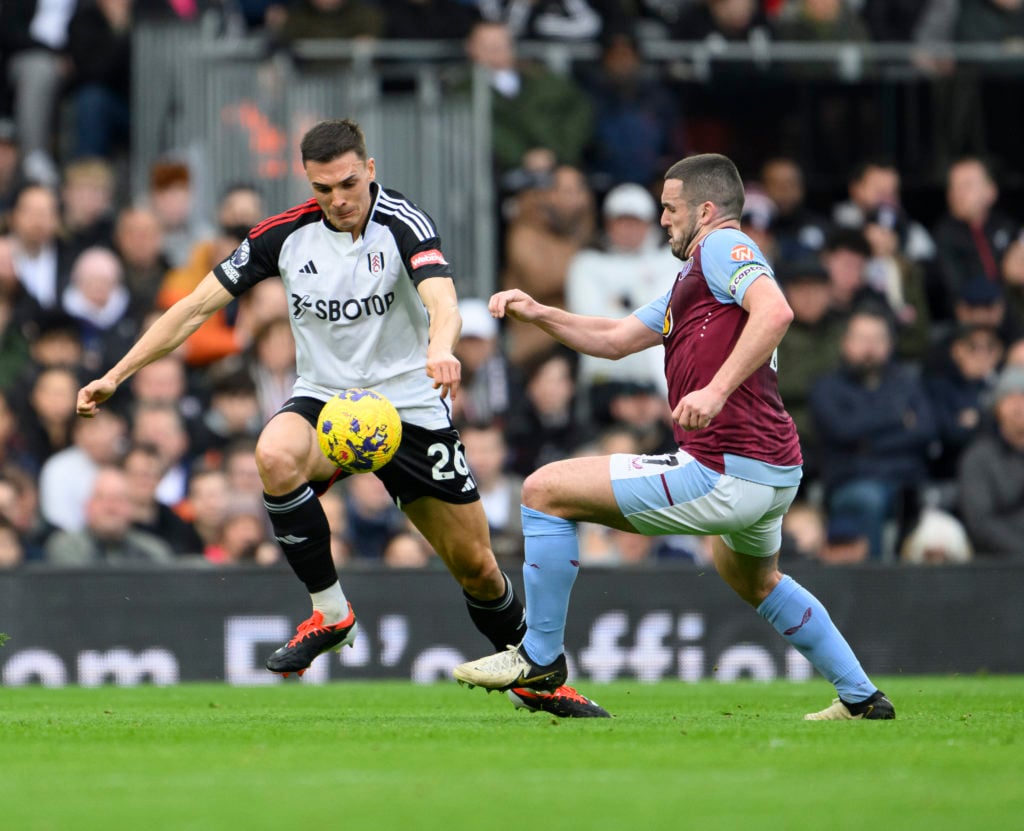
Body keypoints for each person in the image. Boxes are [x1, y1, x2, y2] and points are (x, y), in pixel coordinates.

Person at [75, 118, 595, 715]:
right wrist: (117, 374)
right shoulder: (283, 236)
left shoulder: (403, 223)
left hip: (409, 404)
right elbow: (193, 308)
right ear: (308, 183)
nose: (338, 199)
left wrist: (441, 347)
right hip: (326, 398)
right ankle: (331, 611)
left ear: (369, 170)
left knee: (477, 568)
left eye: (348, 183)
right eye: (323, 189)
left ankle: (540, 678)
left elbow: (442, 299)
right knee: (273, 454)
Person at [454, 153, 895, 721]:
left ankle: (539, 660)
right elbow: (614, 337)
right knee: (755, 579)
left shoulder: (722, 248)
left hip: (725, 467)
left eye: (670, 207)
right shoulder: (694, 281)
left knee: (543, 490)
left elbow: (776, 311)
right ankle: (862, 698)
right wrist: (541, 314)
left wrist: (714, 392)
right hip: (771, 470)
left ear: (706, 210)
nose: (662, 219)